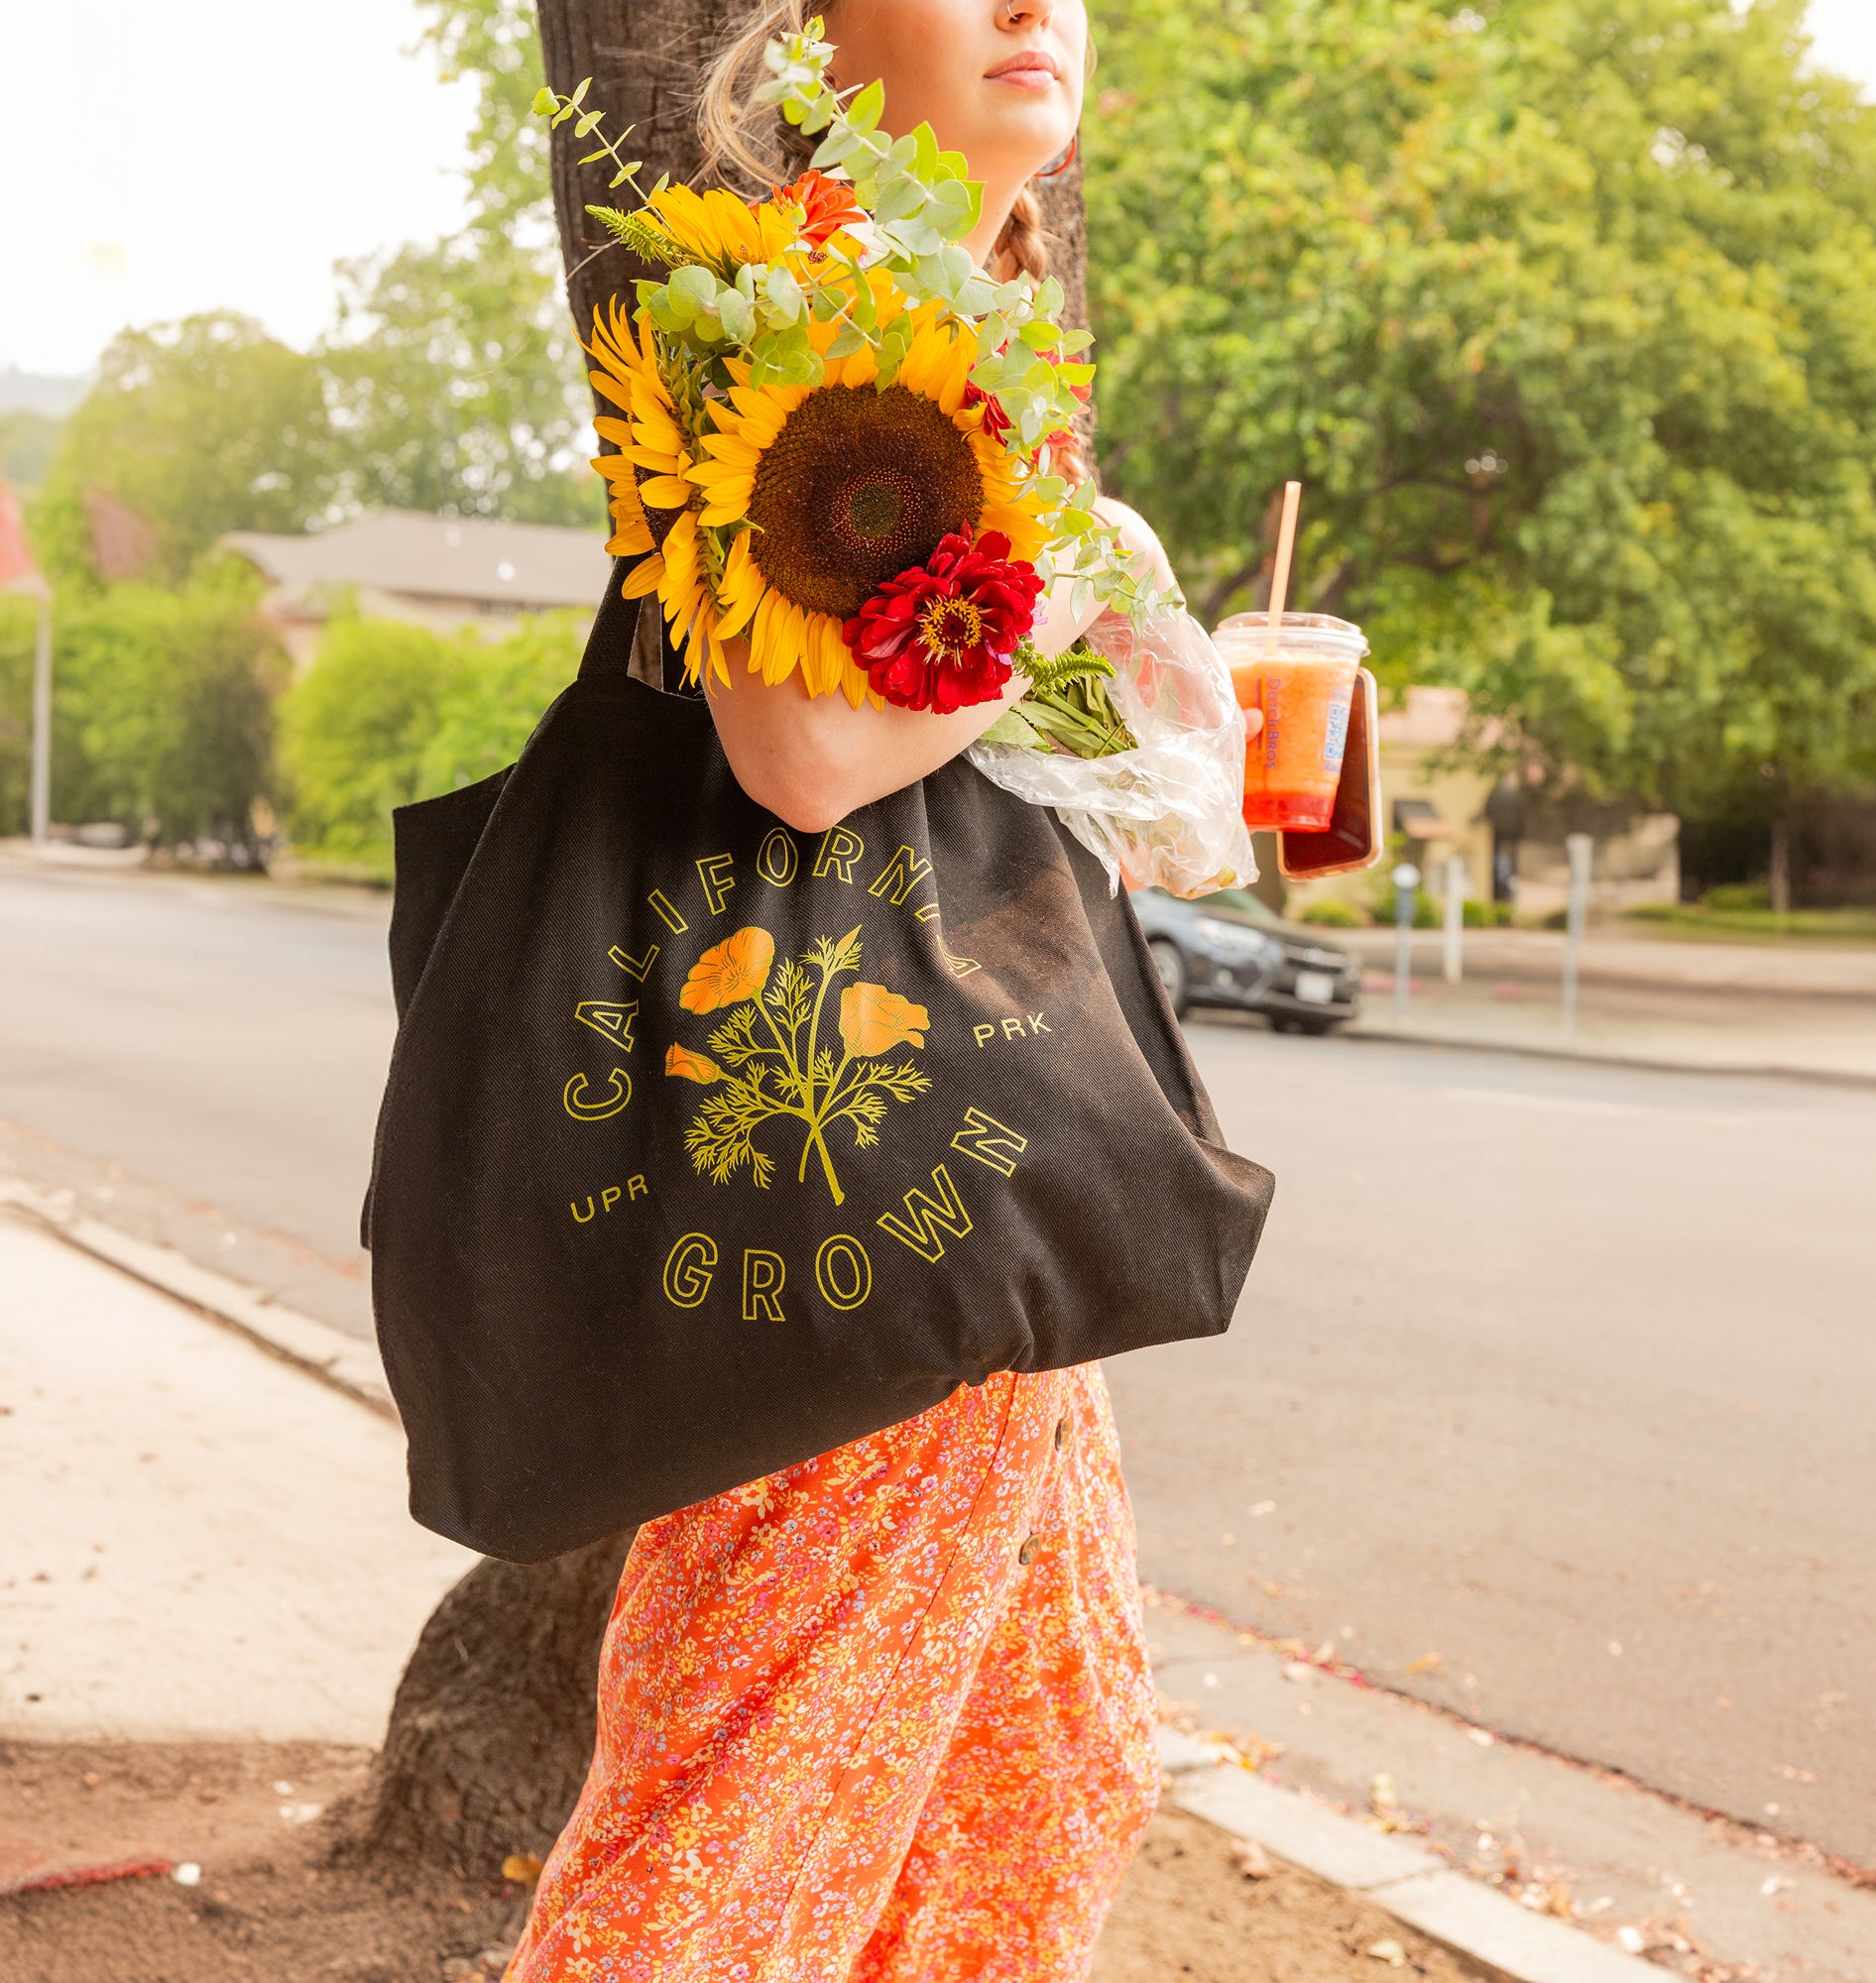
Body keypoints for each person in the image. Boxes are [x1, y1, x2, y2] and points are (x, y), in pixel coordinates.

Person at [507, 3, 1192, 1975]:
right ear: (819, 33)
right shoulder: (806, 294)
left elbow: (959, 728)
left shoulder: (963, 313)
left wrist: (1141, 742)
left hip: (974, 1124)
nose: (1030, 9)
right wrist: (1072, 579)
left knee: (1046, 1765)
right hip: (845, 1142)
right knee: (747, 1815)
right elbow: (803, 749)